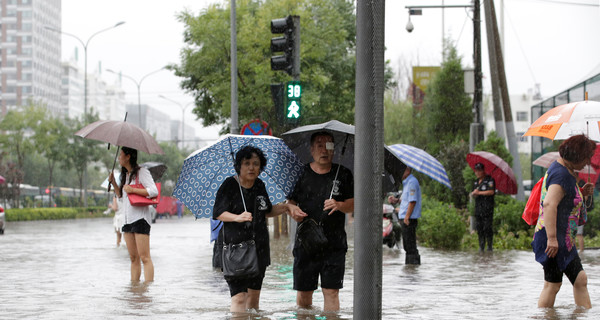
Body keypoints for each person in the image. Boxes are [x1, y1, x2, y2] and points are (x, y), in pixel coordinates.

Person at [213, 146, 301, 313]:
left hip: (259, 247)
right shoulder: (229, 185)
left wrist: (286, 207)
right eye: (247, 163)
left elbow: (266, 210)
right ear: (239, 165)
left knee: (253, 301)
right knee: (239, 297)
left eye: (256, 163)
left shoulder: (260, 185)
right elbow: (218, 213)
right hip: (235, 249)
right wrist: (237, 217)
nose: (252, 167)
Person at [286, 131, 354, 312]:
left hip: (335, 244)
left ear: (335, 150)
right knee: (304, 293)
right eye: (319, 145)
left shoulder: (344, 174)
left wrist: (339, 204)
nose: (324, 150)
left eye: (329, 145)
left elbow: (353, 204)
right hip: (306, 244)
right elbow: (290, 201)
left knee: (331, 291)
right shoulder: (300, 173)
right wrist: (292, 209)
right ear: (311, 149)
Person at [533, 134, 594, 309]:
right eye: (585, 158)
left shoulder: (565, 170)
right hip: (553, 240)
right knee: (552, 284)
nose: (586, 163)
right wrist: (552, 239)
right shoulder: (561, 175)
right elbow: (550, 203)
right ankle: (545, 316)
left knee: (579, 280)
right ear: (576, 156)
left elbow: (563, 198)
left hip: (563, 239)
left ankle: (584, 315)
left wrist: (581, 191)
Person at [109, 147, 159, 282]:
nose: (119, 157)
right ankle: (134, 289)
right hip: (127, 220)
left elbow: (154, 191)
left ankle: (148, 290)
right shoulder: (125, 175)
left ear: (128, 156)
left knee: (145, 257)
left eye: (121, 155)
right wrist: (114, 182)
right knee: (133, 258)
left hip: (140, 219)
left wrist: (132, 190)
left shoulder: (142, 172)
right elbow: (120, 195)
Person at [388, 166, 422, 264]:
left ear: (407, 170)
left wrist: (407, 217)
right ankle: (410, 270)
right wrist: (396, 200)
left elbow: (412, 201)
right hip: (405, 218)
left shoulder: (412, 182)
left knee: (410, 246)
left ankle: (413, 267)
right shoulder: (407, 183)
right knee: (407, 246)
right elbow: (407, 200)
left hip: (409, 219)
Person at [470, 162, 496, 252]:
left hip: (488, 209)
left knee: (487, 227)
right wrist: (473, 194)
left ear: (483, 171)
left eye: (479, 171)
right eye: (476, 171)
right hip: (478, 209)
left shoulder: (489, 180)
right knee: (479, 228)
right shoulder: (476, 182)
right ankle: (481, 246)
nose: (477, 173)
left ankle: (489, 246)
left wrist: (479, 193)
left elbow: (491, 192)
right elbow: (474, 194)